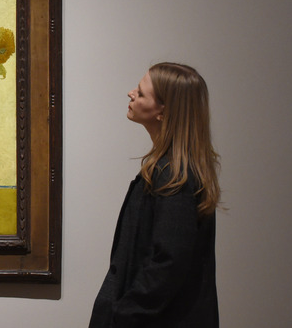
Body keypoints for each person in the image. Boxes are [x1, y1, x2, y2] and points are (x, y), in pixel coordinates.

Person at [89, 62, 221, 328]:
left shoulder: (174, 176)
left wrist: (124, 314)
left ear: (163, 111)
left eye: (141, 92)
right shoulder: (169, 169)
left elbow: (168, 263)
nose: (131, 93)